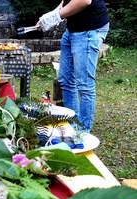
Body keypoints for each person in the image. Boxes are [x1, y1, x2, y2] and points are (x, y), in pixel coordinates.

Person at [37, 0, 109, 132]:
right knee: (66, 80)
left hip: (89, 30)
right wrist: (51, 15)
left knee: (85, 85)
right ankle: (72, 125)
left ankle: (82, 132)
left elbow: (84, 1)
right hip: (73, 30)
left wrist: (57, 16)